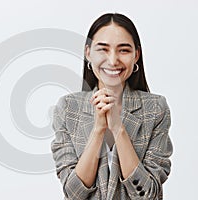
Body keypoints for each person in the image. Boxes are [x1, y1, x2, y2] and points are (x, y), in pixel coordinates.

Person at [51, 13, 173, 200]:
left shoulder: (156, 108)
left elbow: (147, 194)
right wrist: (99, 129)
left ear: (136, 55)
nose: (113, 60)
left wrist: (117, 128)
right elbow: (74, 193)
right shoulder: (68, 108)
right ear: (88, 53)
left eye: (123, 50)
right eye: (103, 49)